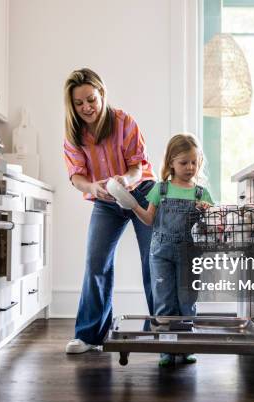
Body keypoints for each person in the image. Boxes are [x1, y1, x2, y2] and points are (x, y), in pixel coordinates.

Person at [63, 68, 156, 353]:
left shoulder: (124, 122)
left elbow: (137, 166)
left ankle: (162, 329)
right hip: (105, 199)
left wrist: (123, 181)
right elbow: (76, 176)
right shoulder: (74, 135)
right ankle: (90, 336)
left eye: (90, 99)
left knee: (154, 261)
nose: (86, 108)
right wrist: (92, 188)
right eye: (79, 104)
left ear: (101, 93)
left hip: (140, 192)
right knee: (96, 262)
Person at [131, 133, 213, 367]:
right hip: (161, 256)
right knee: (164, 302)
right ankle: (166, 349)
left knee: (188, 301)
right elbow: (148, 219)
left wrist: (207, 213)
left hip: (190, 255)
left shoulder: (202, 193)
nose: (189, 167)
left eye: (194, 162)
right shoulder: (161, 189)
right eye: (183, 162)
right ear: (171, 163)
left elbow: (210, 227)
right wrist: (133, 205)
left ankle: (186, 346)